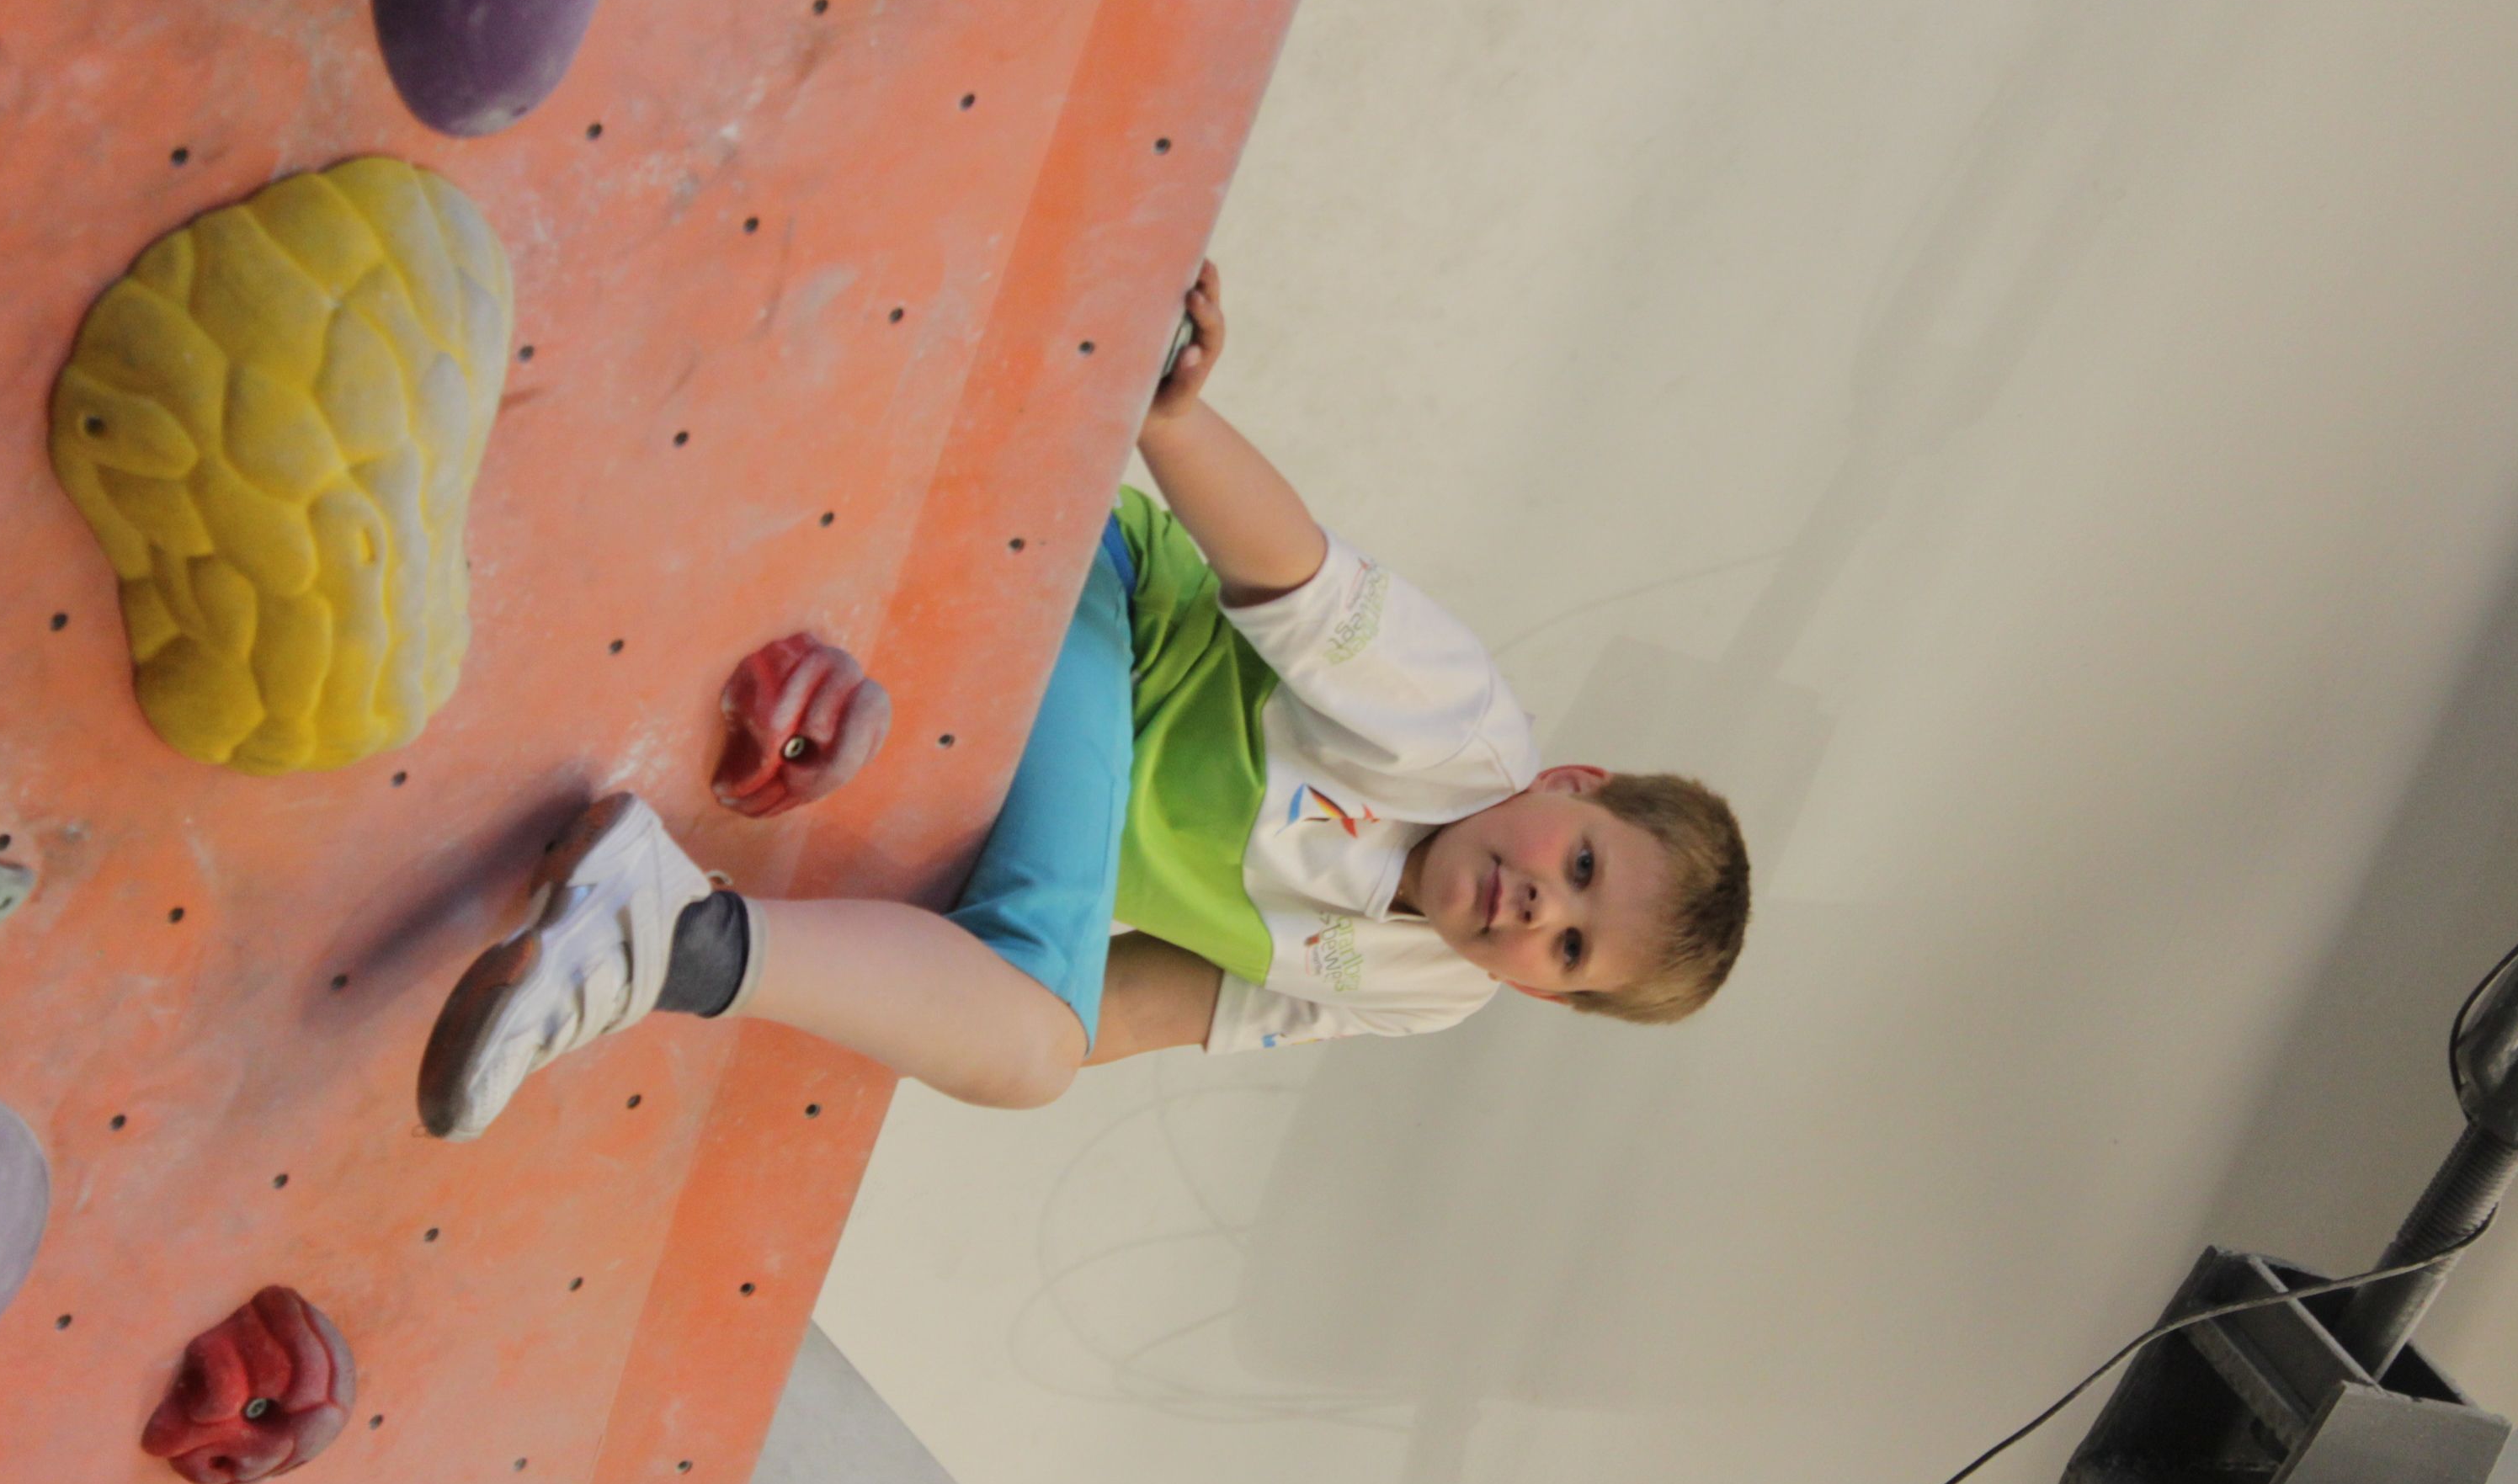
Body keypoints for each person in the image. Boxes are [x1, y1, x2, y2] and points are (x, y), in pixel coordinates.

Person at [416, 263, 1750, 1138]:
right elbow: (1290, 571)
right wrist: (1169, 420)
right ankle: (662, 940)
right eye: (1582, 865)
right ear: (1571, 784)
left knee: (1036, 1056)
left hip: (1054, 797)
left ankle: (679, 944)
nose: (1539, 907)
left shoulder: (1426, 993)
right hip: (1097, 602)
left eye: (1570, 949)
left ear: (1544, 998)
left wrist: (943, 1012)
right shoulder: (1461, 727)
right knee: (1035, 1040)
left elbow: (1160, 1004)